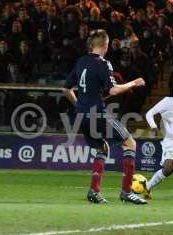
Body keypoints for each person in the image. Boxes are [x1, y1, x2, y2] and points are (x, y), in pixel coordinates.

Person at [62, 29, 147, 205]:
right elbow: (113, 90)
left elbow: (65, 89)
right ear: (105, 46)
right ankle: (126, 192)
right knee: (130, 143)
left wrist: (79, 104)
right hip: (97, 114)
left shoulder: (81, 61)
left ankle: (94, 191)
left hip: (81, 115)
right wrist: (134, 82)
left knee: (102, 148)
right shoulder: (103, 63)